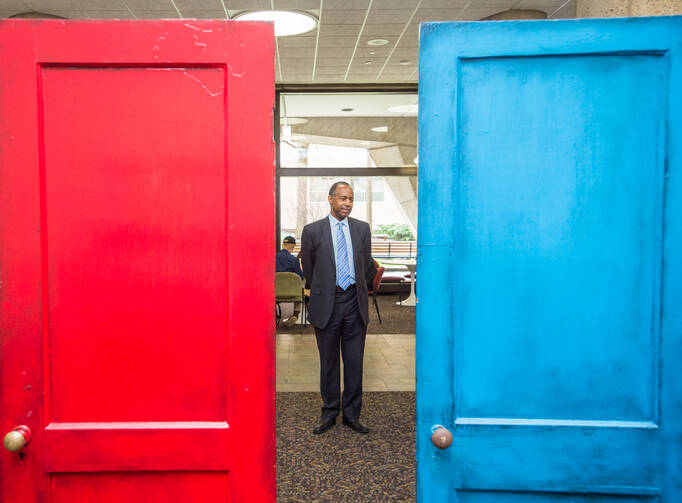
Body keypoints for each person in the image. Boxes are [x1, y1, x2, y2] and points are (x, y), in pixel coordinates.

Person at [301, 181, 372, 434]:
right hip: (327, 304)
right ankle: (329, 412)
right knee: (329, 363)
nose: (348, 204)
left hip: (354, 303)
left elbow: (365, 265)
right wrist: (326, 288)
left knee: (354, 362)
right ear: (330, 199)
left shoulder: (362, 229)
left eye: (351, 199)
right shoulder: (312, 231)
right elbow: (309, 268)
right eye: (343, 198)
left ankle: (352, 415)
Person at [276, 235, 304, 327]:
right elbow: (300, 277)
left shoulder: (272, 257)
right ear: (292, 247)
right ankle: (295, 314)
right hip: (292, 293)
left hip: (275, 293)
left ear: (283, 245)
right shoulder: (293, 260)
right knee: (300, 290)